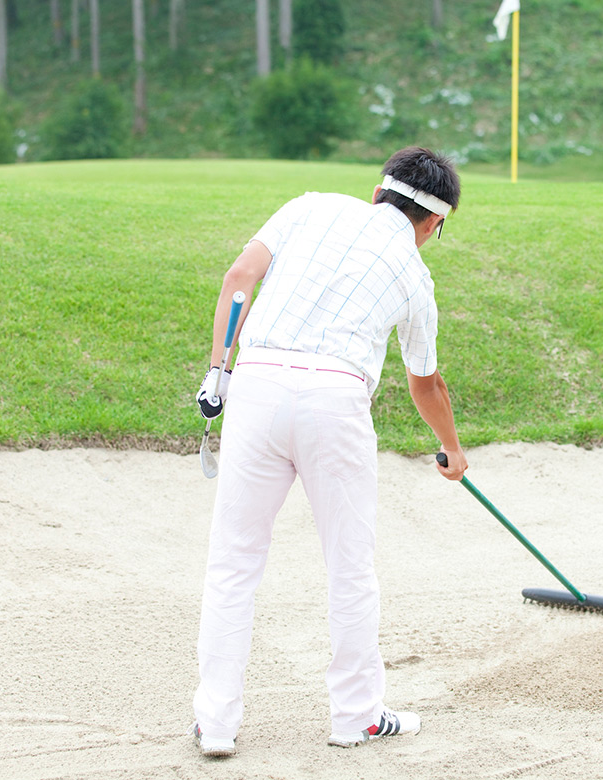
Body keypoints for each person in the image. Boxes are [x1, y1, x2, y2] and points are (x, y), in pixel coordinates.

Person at [190, 146, 468, 758]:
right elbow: (426, 383)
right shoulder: (416, 277)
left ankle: (215, 725)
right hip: (335, 402)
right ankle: (357, 717)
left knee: (234, 562)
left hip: (256, 387)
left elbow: (240, 281)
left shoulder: (309, 207)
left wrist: (218, 373)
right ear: (433, 224)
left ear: (377, 193)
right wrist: (451, 450)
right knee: (349, 565)